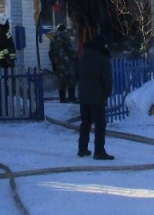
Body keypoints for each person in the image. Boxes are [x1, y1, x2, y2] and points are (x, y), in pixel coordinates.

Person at [77, 31, 113, 160]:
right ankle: (99, 151)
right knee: (99, 125)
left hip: (83, 96)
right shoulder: (102, 59)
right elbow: (106, 79)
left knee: (85, 123)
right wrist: (108, 92)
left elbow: (77, 74)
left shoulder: (83, 56)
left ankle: (82, 148)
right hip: (97, 97)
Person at [48, 23, 78, 103]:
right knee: (71, 80)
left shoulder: (53, 38)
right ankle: (71, 97)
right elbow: (70, 48)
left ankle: (62, 99)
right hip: (67, 63)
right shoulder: (65, 36)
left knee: (61, 81)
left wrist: (53, 62)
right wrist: (76, 56)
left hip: (57, 63)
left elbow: (50, 52)